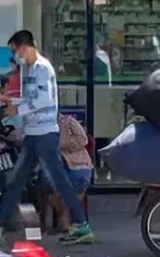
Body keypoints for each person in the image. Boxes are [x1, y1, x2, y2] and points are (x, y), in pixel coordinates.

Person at [0, 30, 93, 245]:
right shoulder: (30, 69)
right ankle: (2, 225)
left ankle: (82, 225)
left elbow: (43, 99)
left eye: (15, 51)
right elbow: (32, 98)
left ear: (24, 48)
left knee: (55, 181)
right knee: (16, 182)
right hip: (35, 134)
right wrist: (9, 100)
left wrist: (18, 110)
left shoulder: (42, 68)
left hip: (43, 135)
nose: (15, 57)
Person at [34, 113, 92, 233]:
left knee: (78, 179)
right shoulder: (37, 126)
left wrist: (61, 145)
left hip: (76, 161)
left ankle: (64, 221)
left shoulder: (68, 121)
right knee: (48, 183)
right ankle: (66, 221)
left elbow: (83, 140)